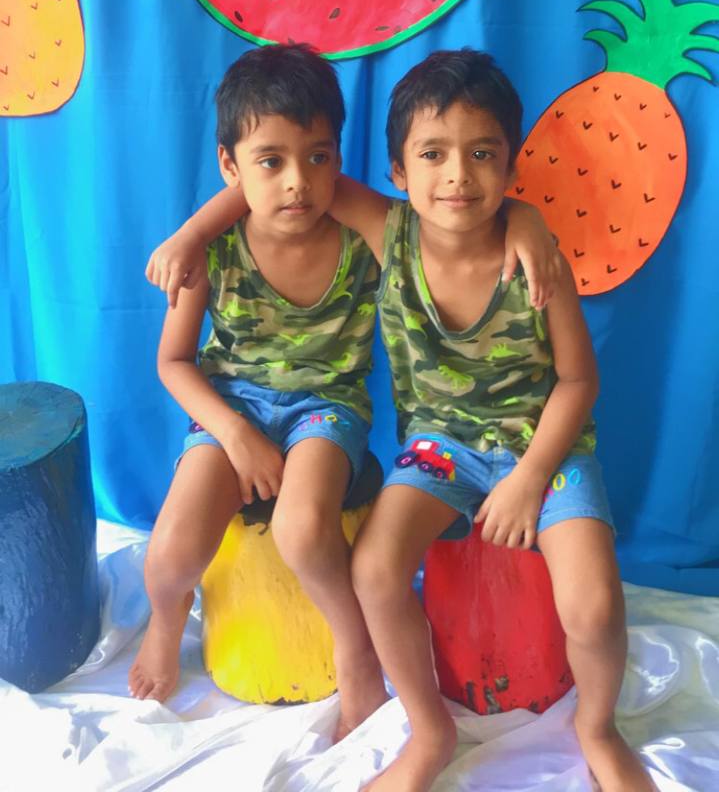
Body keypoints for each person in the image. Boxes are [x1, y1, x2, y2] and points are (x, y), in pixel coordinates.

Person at [335, 49, 652, 792]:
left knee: (596, 606)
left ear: (509, 166)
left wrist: (531, 477)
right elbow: (293, 180)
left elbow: (578, 380)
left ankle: (596, 727)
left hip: (544, 448)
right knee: (375, 570)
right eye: (432, 154)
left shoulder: (536, 264)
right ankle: (429, 730)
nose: (456, 176)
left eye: (481, 154)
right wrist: (190, 238)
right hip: (439, 450)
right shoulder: (391, 236)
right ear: (397, 172)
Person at [129, 43, 387, 739]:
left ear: (338, 156)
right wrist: (236, 434)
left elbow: (434, 228)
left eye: (318, 156)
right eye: (269, 162)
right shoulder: (212, 252)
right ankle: (164, 619)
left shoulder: (362, 238)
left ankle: (357, 649)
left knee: (305, 530)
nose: (297, 182)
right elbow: (174, 362)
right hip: (231, 403)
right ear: (230, 168)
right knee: (170, 553)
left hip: (327, 407)